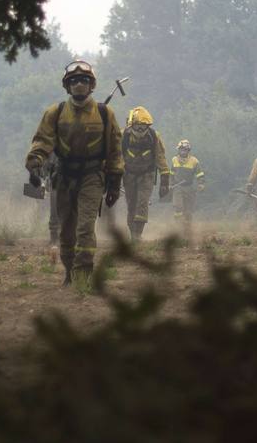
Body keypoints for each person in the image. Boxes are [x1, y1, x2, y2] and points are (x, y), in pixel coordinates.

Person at [25, 60, 124, 289]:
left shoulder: (105, 113)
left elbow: (114, 150)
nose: (79, 84)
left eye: (84, 81)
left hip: (92, 177)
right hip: (64, 177)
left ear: (92, 85)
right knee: (67, 231)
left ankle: (83, 275)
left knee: (85, 228)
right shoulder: (55, 112)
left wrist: (115, 182)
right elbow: (42, 141)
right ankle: (70, 271)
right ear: (67, 86)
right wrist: (35, 163)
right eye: (74, 81)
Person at [121, 106, 171, 243]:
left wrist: (165, 180)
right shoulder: (123, 136)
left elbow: (160, 158)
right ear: (131, 125)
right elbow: (116, 157)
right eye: (138, 127)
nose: (141, 130)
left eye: (144, 127)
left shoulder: (154, 136)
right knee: (131, 205)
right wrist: (111, 177)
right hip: (128, 175)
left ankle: (138, 235)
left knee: (142, 203)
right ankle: (133, 235)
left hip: (147, 175)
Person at [170, 140, 205, 237]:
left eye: (185, 150)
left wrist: (201, 184)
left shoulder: (194, 161)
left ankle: (187, 230)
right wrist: (170, 184)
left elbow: (200, 174)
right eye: (181, 149)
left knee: (188, 211)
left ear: (188, 150)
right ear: (178, 150)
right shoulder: (174, 160)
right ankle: (178, 226)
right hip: (177, 187)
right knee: (178, 207)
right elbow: (171, 174)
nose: (183, 152)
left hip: (189, 188)